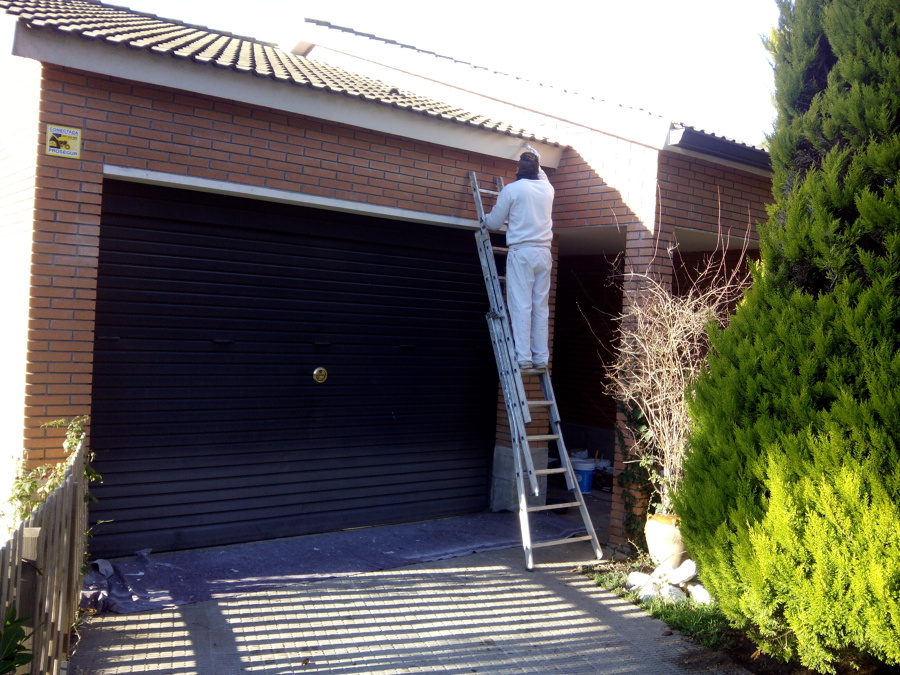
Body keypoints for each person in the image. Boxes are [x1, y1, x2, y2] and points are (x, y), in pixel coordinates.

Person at [481, 150, 555, 371]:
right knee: (540, 307)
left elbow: (494, 223)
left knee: (521, 304)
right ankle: (541, 357)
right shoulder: (547, 189)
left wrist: (483, 219)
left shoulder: (511, 190)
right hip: (544, 253)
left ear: (517, 171)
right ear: (536, 170)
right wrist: (536, 157)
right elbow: (542, 175)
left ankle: (523, 356)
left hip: (522, 252)